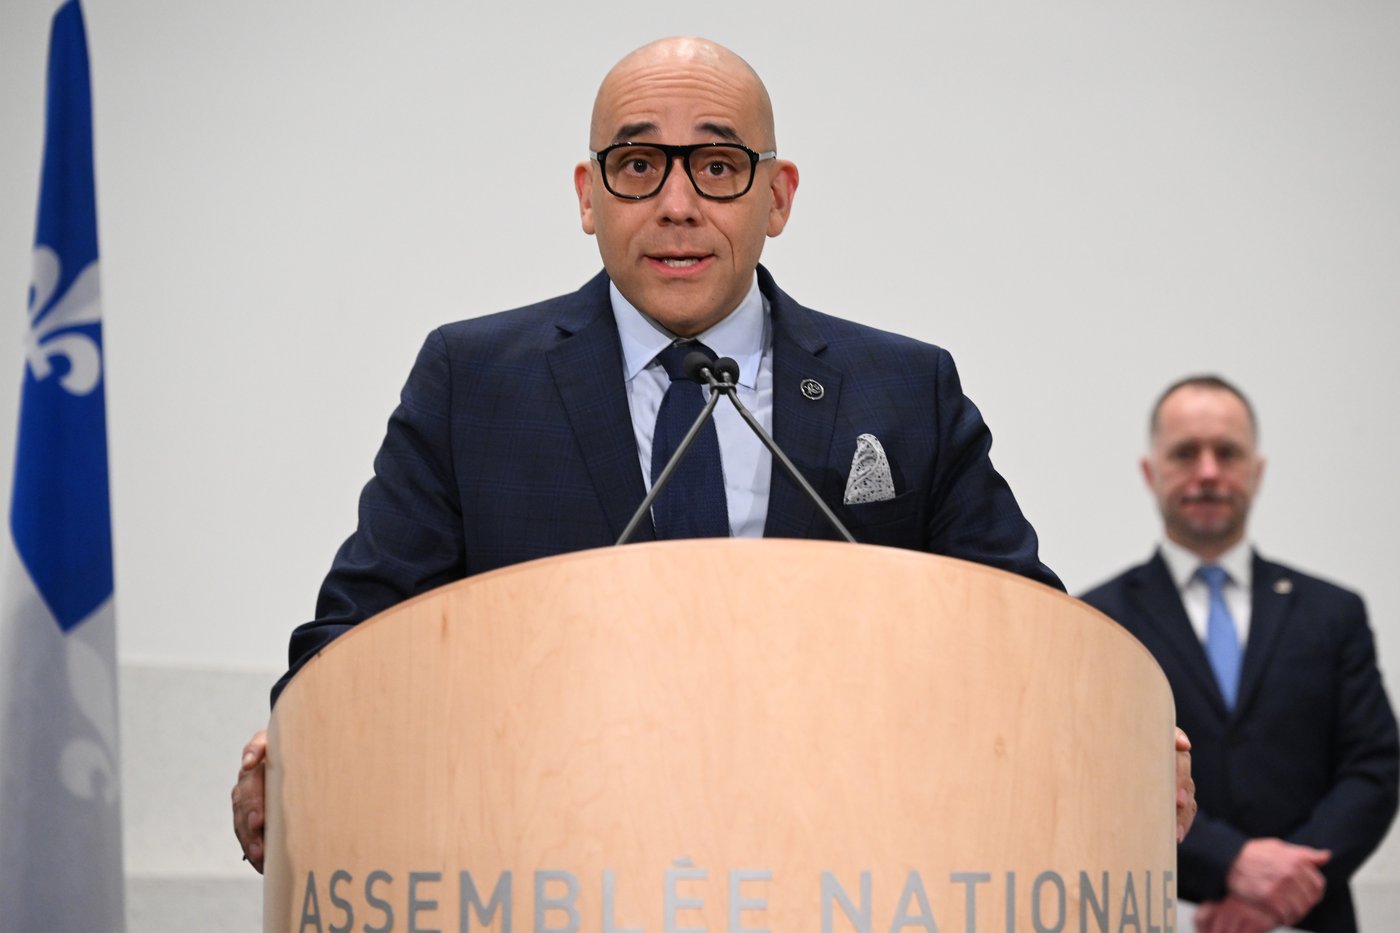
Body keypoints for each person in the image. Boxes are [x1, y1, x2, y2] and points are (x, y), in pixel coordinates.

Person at [232, 36, 1196, 872]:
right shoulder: (473, 382)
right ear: (588, 195)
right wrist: (297, 740)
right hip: (549, 870)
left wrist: (1125, 736)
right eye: (637, 164)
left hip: (841, 872)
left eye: (720, 166)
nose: (678, 203)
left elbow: (1026, 638)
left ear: (778, 196)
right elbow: (357, 636)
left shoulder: (906, 390)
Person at [1081, 375, 1399, 932]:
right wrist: (1231, 862)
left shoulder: (1333, 613)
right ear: (1151, 472)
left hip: (1311, 915)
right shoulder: (1100, 621)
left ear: (1257, 470)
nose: (1208, 472)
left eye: (1227, 453)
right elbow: (1098, 773)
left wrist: (1280, 890)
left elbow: (1373, 768)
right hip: (1164, 912)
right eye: (1185, 453)